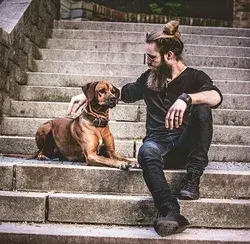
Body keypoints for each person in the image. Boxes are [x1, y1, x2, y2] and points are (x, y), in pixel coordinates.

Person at [67, 20, 223, 236]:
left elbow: (216, 97)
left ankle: (193, 177)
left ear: (169, 56)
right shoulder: (149, 78)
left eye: (152, 58)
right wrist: (88, 96)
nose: (147, 62)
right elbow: (124, 92)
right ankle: (169, 210)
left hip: (185, 146)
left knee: (203, 109)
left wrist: (187, 98)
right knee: (146, 151)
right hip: (157, 145)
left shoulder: (195, 77)